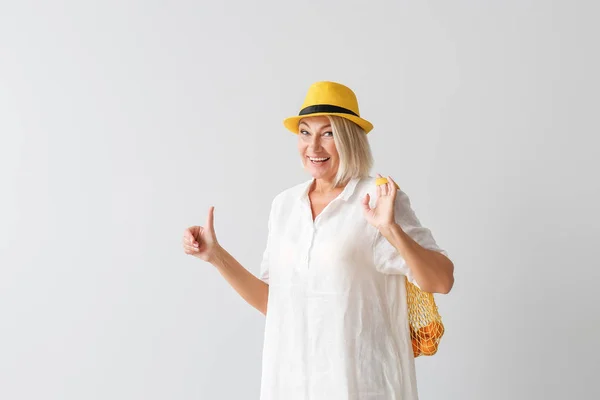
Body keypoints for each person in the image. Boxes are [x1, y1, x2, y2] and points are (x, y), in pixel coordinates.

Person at [182, 81, 454, 400]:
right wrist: (216, 256)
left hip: (364, 387)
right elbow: (275, 303)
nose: (314, 147)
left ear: (350, 139)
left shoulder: (376, 197)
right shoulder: (284, 206)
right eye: (305, 132)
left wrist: (390, 228)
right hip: (291, 385)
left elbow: (442, 280)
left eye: (328, 133)